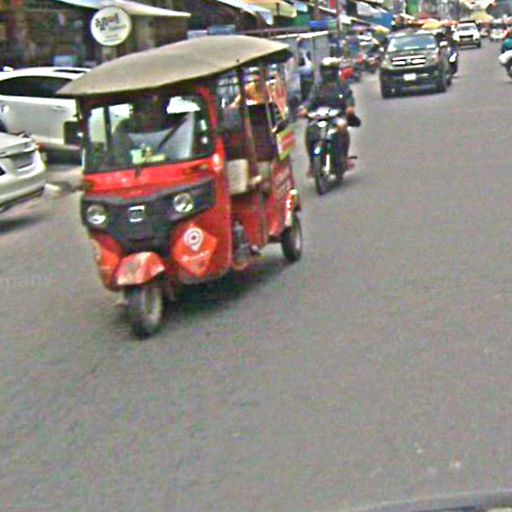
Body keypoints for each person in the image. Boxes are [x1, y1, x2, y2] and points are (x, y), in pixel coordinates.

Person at [298, 57, 358, 176]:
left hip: (337, 115)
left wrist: (350, 107)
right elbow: (311, 99)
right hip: (319, 116)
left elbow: (348, 97)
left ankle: (345, 157)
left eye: (330, 69)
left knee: (342, 127)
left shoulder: (341, 83)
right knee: (309, 131)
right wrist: (305, 109)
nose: (328, 72)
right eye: (325, 69)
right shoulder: (317, 85)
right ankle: (312, 164)